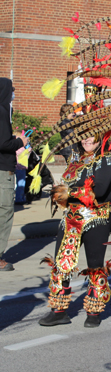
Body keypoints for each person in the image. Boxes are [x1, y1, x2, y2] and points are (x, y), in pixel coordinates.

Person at [38, 134, 111, 327]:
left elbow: (99, 191)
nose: (86, 141)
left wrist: (69, 192)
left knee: (94, 265)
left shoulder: (107, 159)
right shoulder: (77, 158)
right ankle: (58, 311)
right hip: (71, 218)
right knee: (61, 263)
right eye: (83, 138)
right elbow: (68, 184)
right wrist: (60, 194)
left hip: (96, 218)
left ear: (101, 138)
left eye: (91, 137)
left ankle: (93, 312)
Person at [0, 78, 28, 271]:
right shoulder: (1, 112)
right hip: (3, 172)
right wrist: (20, 142)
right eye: (12, 90)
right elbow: (3, 144)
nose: (13, 94)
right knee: (4, 213)